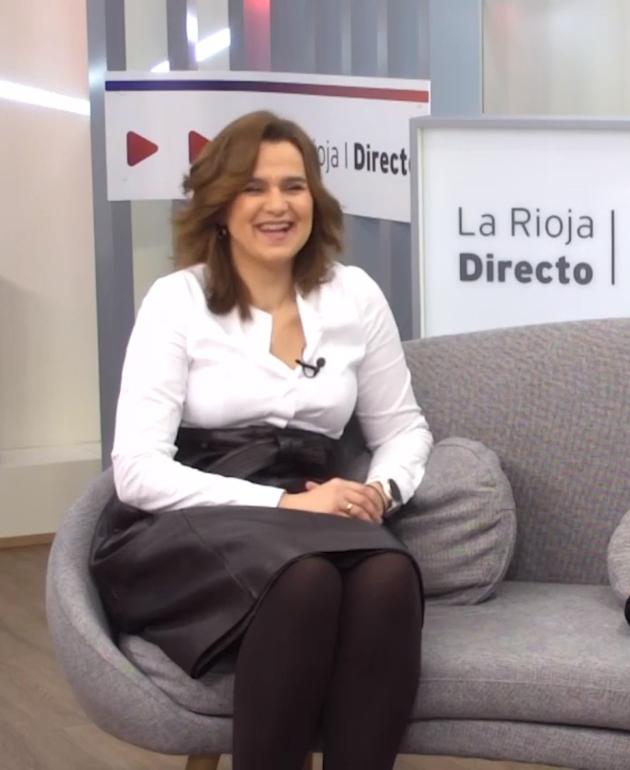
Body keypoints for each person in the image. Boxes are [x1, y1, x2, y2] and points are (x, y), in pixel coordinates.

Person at [90, 110, 433, 770]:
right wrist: (284, 505)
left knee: (389, 575)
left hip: (315, 506)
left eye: (293, 186)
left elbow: (403, 428)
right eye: (253, 188)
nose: (278, 205)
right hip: (195, 515)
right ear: (220, 207)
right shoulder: (177, 301)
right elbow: (136, 470)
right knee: (303, 581)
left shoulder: (354, 296)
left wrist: (379, 491)